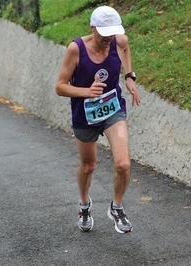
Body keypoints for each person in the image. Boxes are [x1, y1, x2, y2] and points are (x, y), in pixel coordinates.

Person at [55, 6, 141, 234]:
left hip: (113, 110)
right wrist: (87, 92)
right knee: (88, 166)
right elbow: (60, 87)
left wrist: (130, 76)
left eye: (112, 33)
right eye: (104, 33)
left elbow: (125, 48)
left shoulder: (118, 40)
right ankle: (84, 204)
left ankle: (117, 207)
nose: (108, 38)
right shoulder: (76, 49)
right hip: (85, 115)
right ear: (92, 28)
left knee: (123, 164)